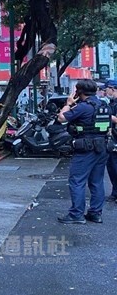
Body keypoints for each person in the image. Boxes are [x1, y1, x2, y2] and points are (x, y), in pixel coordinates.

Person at [56, 79, 111, 224]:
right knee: (97, 181)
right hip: (102, 147)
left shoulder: (82, 107)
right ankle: (95, 213)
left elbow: (61, 118)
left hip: (86, 148)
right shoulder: (104, 105)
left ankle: (76, 215)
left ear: (79, 92)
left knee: (77, 180)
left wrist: (68, 104)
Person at [102, 79, 117, 202]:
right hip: (112, 138)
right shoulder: (112, 103)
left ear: (112, 88)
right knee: (111, 166)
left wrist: (104, 114)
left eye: (106, 89)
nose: (105, 91)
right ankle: (115, 191)